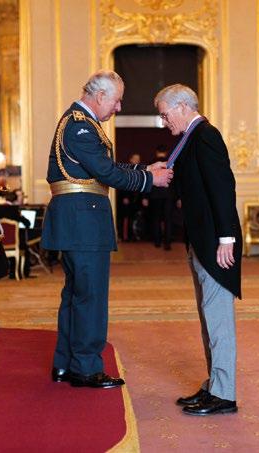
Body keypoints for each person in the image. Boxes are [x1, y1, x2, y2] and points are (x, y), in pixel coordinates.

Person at [41, 70, 173, 388]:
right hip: (83, 222)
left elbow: (104, 167)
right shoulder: (81, 126)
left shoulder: (80, 123)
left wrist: (143, 167)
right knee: (91, 297)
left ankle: (65, 363)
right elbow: (106, 173)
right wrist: (149, 179)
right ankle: (86, 368)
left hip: (78, 221)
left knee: (76, 295)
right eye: (116, 101)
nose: (118, 107)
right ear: (100, 96)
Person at [154, 84, 242, 416]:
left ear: (182, 106)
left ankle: (224, 394)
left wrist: (226, 238)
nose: (164, 122)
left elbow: (223, 188)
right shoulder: (190, 138)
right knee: (209, 317)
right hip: (201, 241)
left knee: (218, 319)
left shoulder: (206, 136)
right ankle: (215, 385)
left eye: (165, 114)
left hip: (216, 244)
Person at [143, 146, 175, 250]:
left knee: (156, 219)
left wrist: (145, 197)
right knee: (168, 219)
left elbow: (147, 179)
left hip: (154, 195)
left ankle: (157, 242)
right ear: (166, 152)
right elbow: (175, 181)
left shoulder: (152, 163)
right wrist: (178, 197)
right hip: (168, 195)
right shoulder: (171, 163)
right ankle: (168, 243)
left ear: (157, 152)